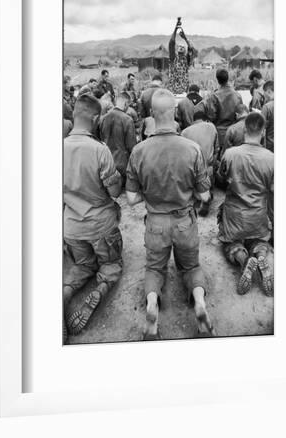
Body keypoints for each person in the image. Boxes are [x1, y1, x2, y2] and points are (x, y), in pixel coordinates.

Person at [126, 88, 215, 340]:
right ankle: (199, 303)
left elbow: (131, 199)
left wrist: (151, 195)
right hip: (184, 222)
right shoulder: (192, 148)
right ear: (174, 112)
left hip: (155, 223)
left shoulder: (139, 151)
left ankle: (152, 306)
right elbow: (205, 196)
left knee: (154, 269)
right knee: (191, 266)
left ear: (152, 115)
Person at [63, 94, 123, 337]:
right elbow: (115, 191)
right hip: (101, 226)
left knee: (82, 266)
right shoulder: (100, 150)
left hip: (71, 229)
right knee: (111, 264)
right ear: (96, 118)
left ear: (74, 115)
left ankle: (65, 293)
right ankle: (100, 290)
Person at [218, 112, 274, 297]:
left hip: (235, 215)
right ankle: (260, 257)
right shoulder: (271, 158)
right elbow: (273, 191)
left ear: (244, 129)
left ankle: (244, 261)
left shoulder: (230, 154)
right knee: (260, 242)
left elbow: (222, 178)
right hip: (258, 216)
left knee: (230, 243)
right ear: (263, 132)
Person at [182, 107, 219, 216]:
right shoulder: (211, 127)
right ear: (204, 119)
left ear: (194, 120)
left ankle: (196, 197)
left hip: (192, 168)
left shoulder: (185, 132)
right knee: (209, 176)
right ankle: (206, 197)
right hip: (208, 168)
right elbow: (217, 148)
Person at [100, 92, 137, 185]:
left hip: (106, 162)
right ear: (126, 104)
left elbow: (100, 140)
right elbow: (131, 146)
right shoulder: (127, 119)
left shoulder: (104, 118)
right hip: (123, 164)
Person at [205, 68, 243, 150]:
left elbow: (211, 116)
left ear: (217, 80)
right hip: (235, 132)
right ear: (228, 78)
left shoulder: (214, 96)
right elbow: (241, 114)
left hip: (220, 134)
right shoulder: (237, 95)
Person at [168, 21, 195, 94]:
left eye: (183, 46)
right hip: (173, 90)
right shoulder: (173, 58)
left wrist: (185, 38)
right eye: (180, 46)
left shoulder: (187, 60)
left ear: (185, 50)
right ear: (177, 49)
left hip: (184, 90)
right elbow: (171, 44)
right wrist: (175, 29)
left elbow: (191, 49)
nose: (181, 47)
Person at [261, 80, 274, 152]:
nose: (263, 95)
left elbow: (261, 131)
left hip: (270, 147)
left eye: (264, 92)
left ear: (268, 91)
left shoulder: (267, 107)